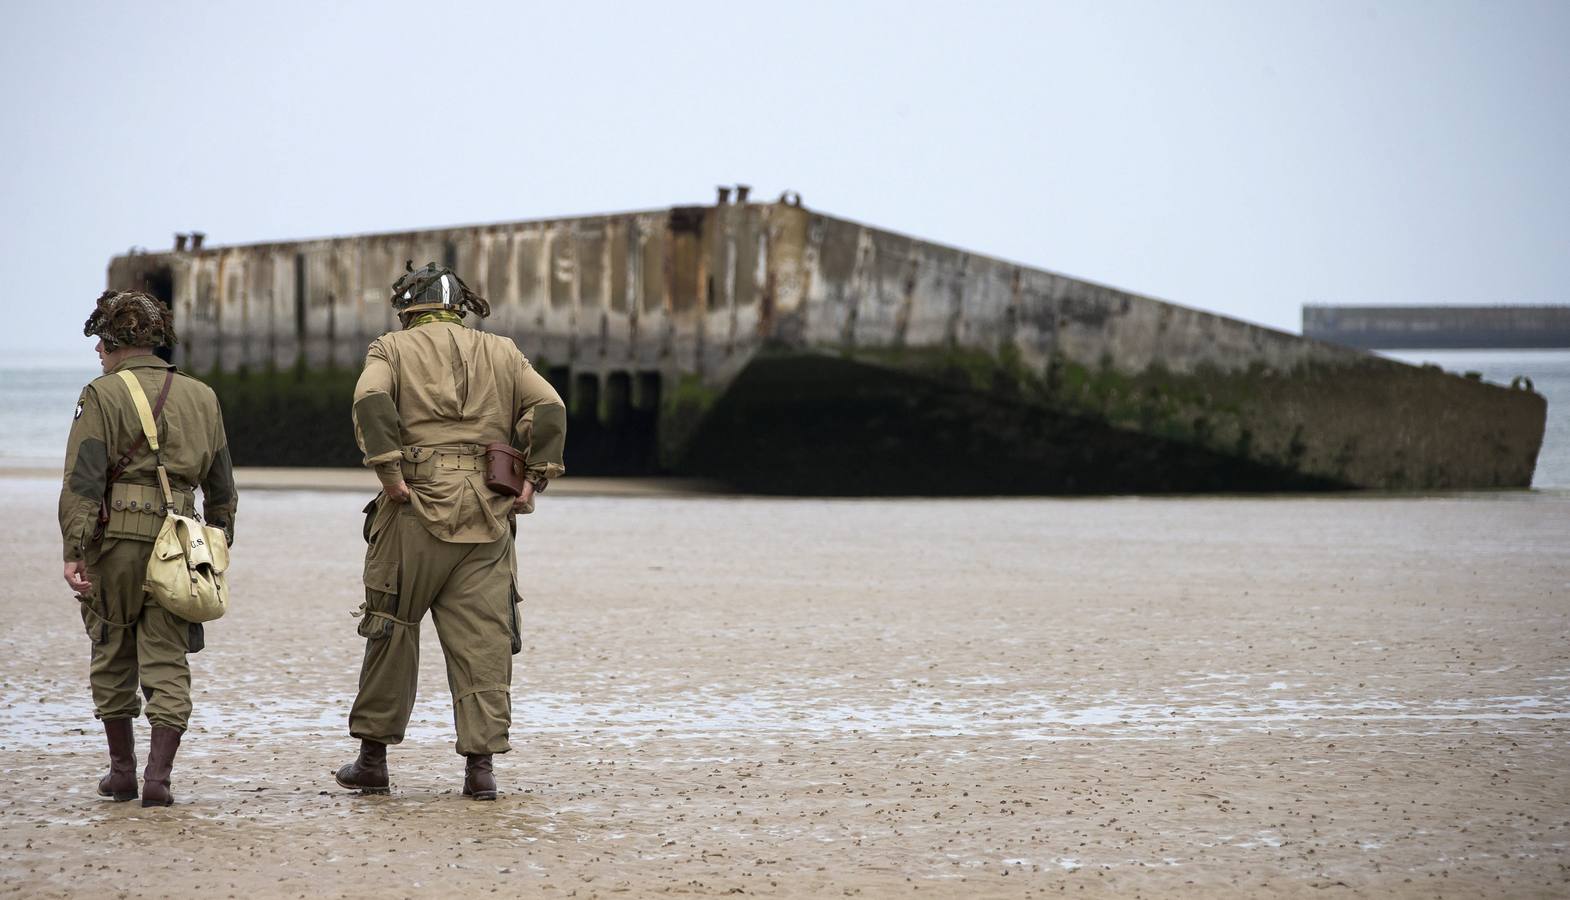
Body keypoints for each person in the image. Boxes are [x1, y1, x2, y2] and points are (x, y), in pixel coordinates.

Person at [334, 262, 566, 800]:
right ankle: (480, 771)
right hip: (488, 511)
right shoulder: (505, 351)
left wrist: (390, 474)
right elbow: (550, 405)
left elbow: (370, 400)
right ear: (459, 307)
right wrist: (535, 478)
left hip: (413, 506)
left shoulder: (390, 349)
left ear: (409, 309)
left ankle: (373, 760)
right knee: (483, 640)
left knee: (391, 626)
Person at [60, 290, 238, 807]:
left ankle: (121, 773)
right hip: (179, 542)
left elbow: (84, 481)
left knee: (113, 647)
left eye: (100, 340)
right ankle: (158, 780)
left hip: (114, 540)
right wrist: (219, 542)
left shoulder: (101, 394)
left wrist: (74, 547)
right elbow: (222, 484)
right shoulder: (203, 396)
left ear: (116, 341)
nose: (97, 350)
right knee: (167, 655)